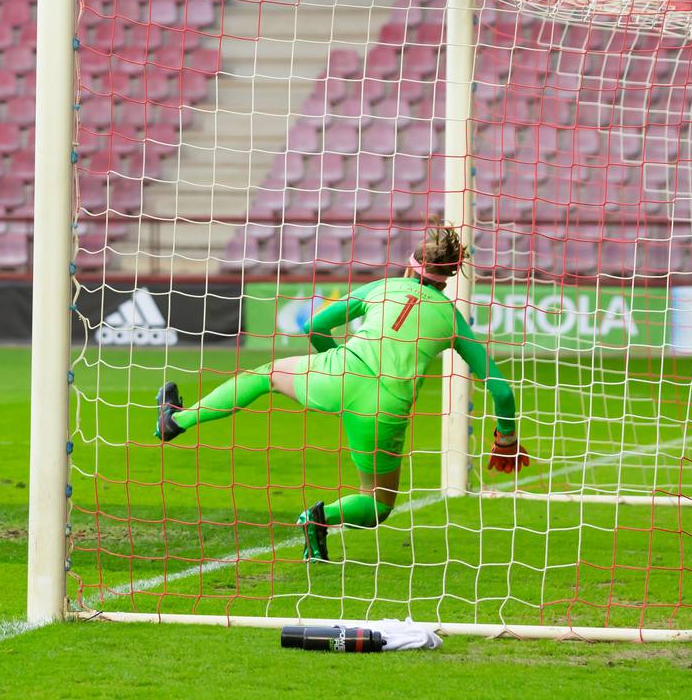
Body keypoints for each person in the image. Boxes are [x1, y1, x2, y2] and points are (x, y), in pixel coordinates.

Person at [154, 226, 529, 562]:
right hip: (383, 410)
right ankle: (320, 517)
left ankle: (176, 421)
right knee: (377, 505)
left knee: (263, 376)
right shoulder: (451, 318)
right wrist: (506, 439)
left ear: (409, 264)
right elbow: (501, 390)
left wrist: (330, 358)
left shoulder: (381, 288)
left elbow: (313, 324)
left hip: (338, 372)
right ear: (449, 277)